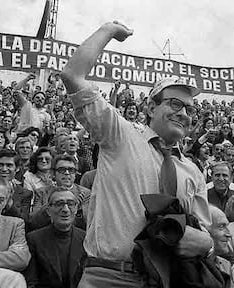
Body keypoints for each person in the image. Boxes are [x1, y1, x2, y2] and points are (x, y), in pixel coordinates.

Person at [61, 21, 212, 287]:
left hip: (165, 280)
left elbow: (201, 233)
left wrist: (207, 242)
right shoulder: (120, 135)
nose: (184, 114)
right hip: (108, 277)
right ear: (150, 108)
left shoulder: (193, 171)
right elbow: (73, 76)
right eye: (174, 103)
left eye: (190, 109)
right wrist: (108, 30)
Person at [25, 189, 86, 288]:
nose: (65, 209)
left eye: (70, 204)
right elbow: (31, 281)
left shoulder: (85, 239)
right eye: (59, 204)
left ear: (76, 209)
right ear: (48, 211)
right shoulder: (34, 239)